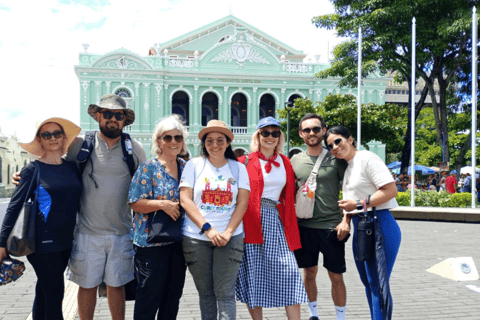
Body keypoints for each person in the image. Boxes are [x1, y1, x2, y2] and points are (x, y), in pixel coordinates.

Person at [1, 117, 82, 320]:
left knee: (45, 292)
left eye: (57, 133)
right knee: (55, 293)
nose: (53, 138)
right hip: (42, 244)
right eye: (47, 135)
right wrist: (1, 243)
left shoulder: (72, 168)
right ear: (40, 140)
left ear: (64, 137)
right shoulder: (31, 170)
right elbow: (14, 207)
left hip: (65, 242)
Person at [325, 126, 401, 320]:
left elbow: (391, 190)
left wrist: (358, 204)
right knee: (368, 282)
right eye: (330, 145)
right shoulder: (349, 166)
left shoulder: (367, 158)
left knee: (378, 283)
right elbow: (350, 202)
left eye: (338, 141)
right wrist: (346, 219)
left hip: (379, 223)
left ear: (350, 139)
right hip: (362, 227)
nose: (334, 147)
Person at [235, 117, 308, 320]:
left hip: (276, 221)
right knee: (254, 276)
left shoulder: (284, 161)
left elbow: (289, 194)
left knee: (290, 273)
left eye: (275, 133)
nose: (270, 137)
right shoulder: (244, 162)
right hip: (251, 223)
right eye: (265, 132)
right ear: (257, 136)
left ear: (280, 137)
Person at [179, 120, 250, 320]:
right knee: (206, 294)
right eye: (209, 140)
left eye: (220, 140)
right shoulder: (194, 165)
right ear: (204, 143)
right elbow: (185, 199)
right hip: (196, 238)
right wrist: (208, 229)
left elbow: (242, 203)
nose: (215, 145)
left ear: (228, 143)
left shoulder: (238, 168)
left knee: (225, 293)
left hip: (231, 237)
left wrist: (227, 232)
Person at [128, 115, 188, 320]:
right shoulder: (148, 168)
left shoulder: (186, 168)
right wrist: (162, 204)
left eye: (178, 138)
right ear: (158, 141)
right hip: (151, 246)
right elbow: (135, 202)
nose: (173, 142)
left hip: (178, 243)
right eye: (168, 137)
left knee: (172, 300)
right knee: (148, 300)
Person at [290, 113, 349, 320]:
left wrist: (346, 220)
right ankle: (313, 314)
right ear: (300, 134)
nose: (312, 133)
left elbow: (352, 189)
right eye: (307, 130)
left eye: (316, 129)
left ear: (323, 131)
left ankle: (340, 317)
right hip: (304, 226)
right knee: (309, 273)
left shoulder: (335, 158)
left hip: (331, 226)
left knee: (335, 275)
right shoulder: (295, 160)